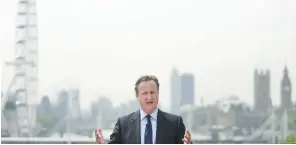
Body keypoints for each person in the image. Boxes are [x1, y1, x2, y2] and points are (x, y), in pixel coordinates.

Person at [95, 75, 192, 144]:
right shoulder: (123, 124)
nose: (149, 97)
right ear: (137, 96)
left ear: (158, 94)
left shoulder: (175, 123)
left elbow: (185, 143)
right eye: (145, 93)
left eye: (152, 92)